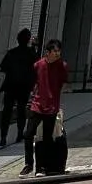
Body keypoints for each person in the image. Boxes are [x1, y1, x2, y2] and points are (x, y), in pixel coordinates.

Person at [22, 39, 70, 175]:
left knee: (47, 138)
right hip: (37, 105)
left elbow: (65, 84)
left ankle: (42, 167)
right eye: (55, 51)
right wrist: (31, 99)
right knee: (28, 134)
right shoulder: (38, 65)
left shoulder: (62, 66)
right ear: (47, 52)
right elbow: (33, 84)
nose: (57, 54)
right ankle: (28, 164)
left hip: (52, 107)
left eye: (59, 51)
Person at [0, 28, 37, 147]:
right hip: (24, 86)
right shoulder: (31, 54)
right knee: (21, 109)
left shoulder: (12, 53)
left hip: (11, 85)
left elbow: (3, 67)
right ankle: (19, 133)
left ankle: (3, 137)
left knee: (7, 111)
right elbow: (36, 69)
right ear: (28, 40)